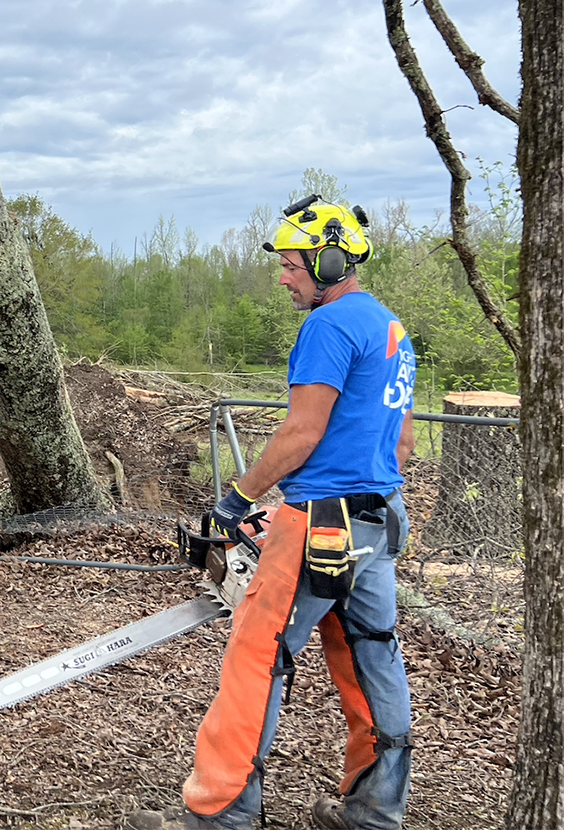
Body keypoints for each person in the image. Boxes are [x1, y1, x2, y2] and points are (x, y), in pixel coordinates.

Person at [129, 197, 416, 830]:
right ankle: (374, 811)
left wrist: (238, 500)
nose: (283, 277)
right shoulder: (391, 328)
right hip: (379, 516)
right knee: (371, 650)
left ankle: (220, 814)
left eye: (291, 265)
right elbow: (402, 443)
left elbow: (300, 433)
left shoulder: (328, 326)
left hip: (323, 521)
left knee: (257, 655)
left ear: (331, 261)